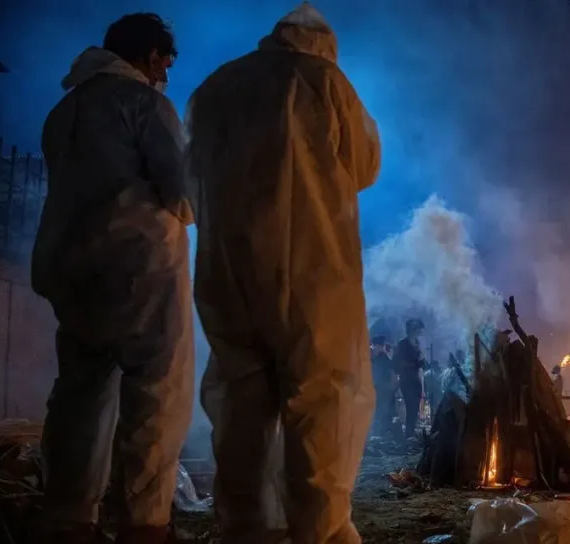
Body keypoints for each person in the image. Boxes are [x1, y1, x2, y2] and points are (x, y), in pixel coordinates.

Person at [187, 3, 381, 543]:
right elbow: (366, 164)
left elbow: (189, 177)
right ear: (323, 45)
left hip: (228, 272)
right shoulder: (324, 81)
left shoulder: (216, 87)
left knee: (241, 404)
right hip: (312, 271)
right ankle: (319, 530)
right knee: (321, 401)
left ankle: (246, 526)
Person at [31, 13, 194, 544]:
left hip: (71, 271)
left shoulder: (64, 111)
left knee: (81, 394)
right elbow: (182, 193)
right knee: (157, 392)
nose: (164, 74)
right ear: (149, 56)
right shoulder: (145, 103)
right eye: (164, 63)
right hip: (139, 268)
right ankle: (145, 524)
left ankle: (68, 518)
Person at [396, 319, 428, 438]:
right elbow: (398, 363)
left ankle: (411, 432)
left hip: (415, 379)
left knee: (415, 408)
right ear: (412, 329)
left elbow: (419, 358)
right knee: (411, 406)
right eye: (418, 329)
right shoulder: (402, 344)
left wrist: (422, 362)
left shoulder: (416, 343)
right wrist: (414, 364)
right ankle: (408, 434)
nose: (420, 331)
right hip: (407, 380)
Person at [371, 336, 398, 437]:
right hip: (378, 390)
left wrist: (391, 386)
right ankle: (379, 433)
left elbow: (392, 374)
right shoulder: (375, 358)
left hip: (384, 390)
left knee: (383, 413)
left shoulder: (384, 359)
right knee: (379, 413)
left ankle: (382, 434)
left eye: (375, 346)